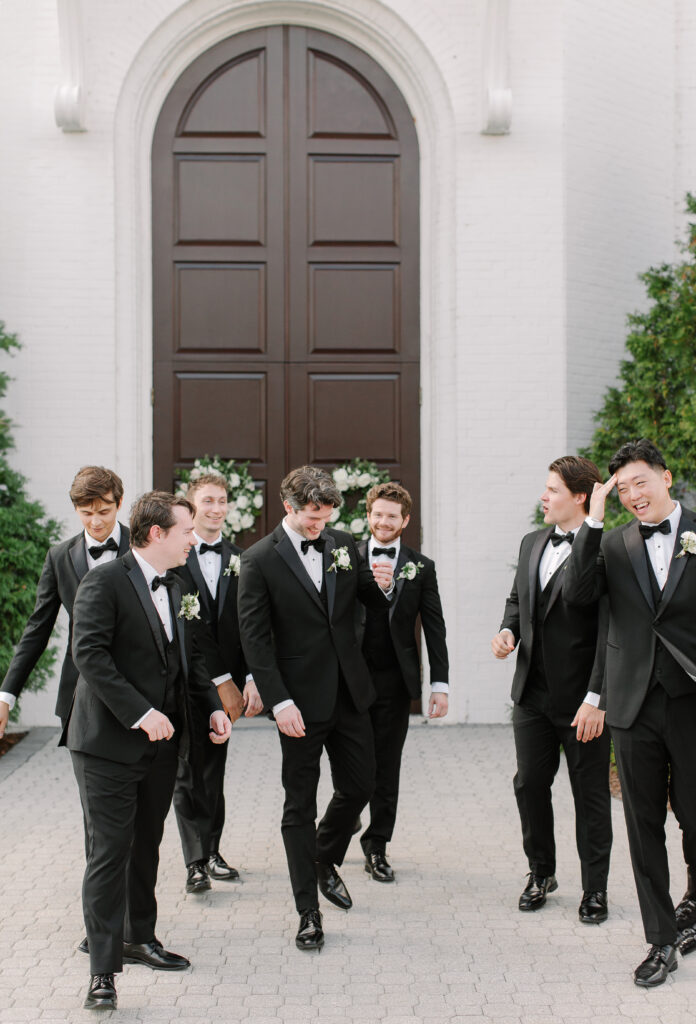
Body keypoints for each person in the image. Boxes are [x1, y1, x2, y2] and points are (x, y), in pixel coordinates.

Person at [63, 491, 231, 1010]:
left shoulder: (178, 583)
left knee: (146, 846)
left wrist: (211, 708)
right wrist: (139, 712)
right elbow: (88, 653)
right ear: (157, 534)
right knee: (109, 854)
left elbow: (188, 657)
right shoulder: (104, 581)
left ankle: (141, 938)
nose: (192, 538)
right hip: (107, 746)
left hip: (162, 748)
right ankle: (102, 972)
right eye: (185, 531)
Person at [237, 466, 394, 951]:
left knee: (362, 785)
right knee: (298, 805)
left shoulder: (344, 544)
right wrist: (278, 699)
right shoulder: (258, 560)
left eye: (326, 518)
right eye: (311, 517)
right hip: (298, 703)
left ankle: (324, 857)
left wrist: (383, 584)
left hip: (349, 692)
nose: (318, 526)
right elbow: (255, 639)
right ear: (288, 506)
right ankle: (308, 910)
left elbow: (366, 600)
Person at [563, 439, 696, 986]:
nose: (634, 495)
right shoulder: (612, 544)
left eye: (642, 482)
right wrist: (592, 521)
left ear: (666, 478)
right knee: (643, 827)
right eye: (623, 489)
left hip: (690, 697)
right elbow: (577, 595)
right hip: (633, 702)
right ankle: (660, 940)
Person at [491, 456, 613, 923]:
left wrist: (596, 697)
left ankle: (595, 890)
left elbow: (607, 629)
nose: (543, 497)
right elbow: (517, 599)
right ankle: (541, 872)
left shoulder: (606, 551)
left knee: (590, 796)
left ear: (580, 497)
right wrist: (507, 630)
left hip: (583, 702)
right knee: (529, 785)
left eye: (552, 490)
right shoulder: (531, 542)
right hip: (532, 695)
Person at [172, 472, 262, 894]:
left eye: (222, 500)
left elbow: (250, 625)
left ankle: (212, 850)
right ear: (192, 507)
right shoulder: (175, 557)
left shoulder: (242, 558)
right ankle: (194, 862)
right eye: (207, 500)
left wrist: (250, 680)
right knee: (188, 770)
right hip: (185, 681)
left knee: (214, 769)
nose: (216, 508)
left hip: (229, 688)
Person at [356, 481, 449, 882]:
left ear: (404, 520)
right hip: (350, 680)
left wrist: (440, 685)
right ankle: (343, 825)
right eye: (377, 514)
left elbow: (434, 627)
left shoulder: (421, 567)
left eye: (391, 516)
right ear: (368, 516)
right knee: (352, 767)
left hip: (394, 682)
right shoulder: (348, 558)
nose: (383, 521)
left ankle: (377, 846)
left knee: (386, 767)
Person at [0, 465, 129, 738]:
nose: (95, 522)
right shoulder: (58, 557)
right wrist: (6, 695)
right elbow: (37, 629)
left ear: (119, 503)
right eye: (87, 513)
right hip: (78, 695)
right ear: (76, 509)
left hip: (137, 690)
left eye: (104, 512)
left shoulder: (142, 546)